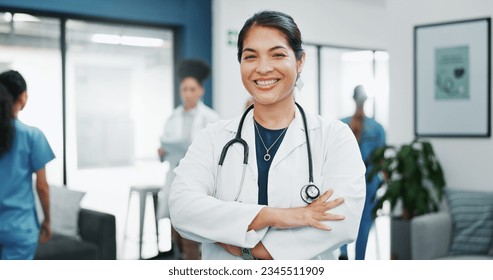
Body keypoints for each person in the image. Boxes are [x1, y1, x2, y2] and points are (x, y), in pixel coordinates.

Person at [169, 11, 366, 260]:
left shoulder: (334, 138)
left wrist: (247, 248)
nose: (263, 68)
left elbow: (340, 224)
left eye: (277, 54)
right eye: (250, 56)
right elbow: (182, 208)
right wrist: (278, 215)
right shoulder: (213, 138)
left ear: (300, 61)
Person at [157, 59, 220, 260]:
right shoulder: (172, 117)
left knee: (191, 229)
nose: (188, 94)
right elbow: (166, 147)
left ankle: (191, 262)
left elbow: (216, 153)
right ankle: (181, 259)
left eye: (192, 89)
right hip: (174, 176)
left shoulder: (210, 118)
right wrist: (161, 152)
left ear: (201, 91)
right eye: (184, 89)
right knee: (175, 227)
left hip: (197, 180)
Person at [0, 70, 55, 260]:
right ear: (22, 97)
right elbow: (42, 187)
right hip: (19, 228)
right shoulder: (32, 136)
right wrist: (47, 220)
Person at [339, 85, 386, 260]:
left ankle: (343, 253)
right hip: (369, 180)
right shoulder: (377, 128)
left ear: (353, 99)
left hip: (346, 180)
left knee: (342, 216)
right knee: (365, 221)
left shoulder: (341, 124)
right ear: (366, 101)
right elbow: (382, 160)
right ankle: (359, 260)